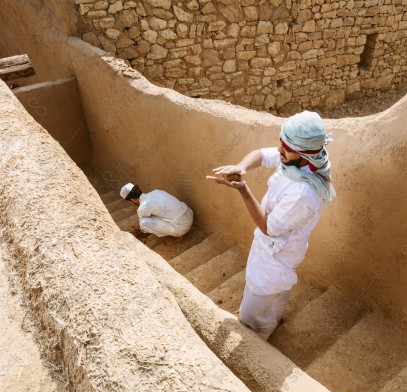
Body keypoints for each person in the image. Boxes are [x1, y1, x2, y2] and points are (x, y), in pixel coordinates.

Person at [206, 110, 335, 340]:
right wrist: (241, 166)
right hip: (288, 250)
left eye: (286, 147)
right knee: (279, 293)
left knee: (249, 315)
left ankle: (261, 336)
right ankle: (274, 318)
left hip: (275, 257)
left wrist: (243, 189)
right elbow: (262, 155)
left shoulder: (303, 193)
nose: (279, 150)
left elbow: (268, 227)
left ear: (304, 153)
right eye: (281, 143)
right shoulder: (303, 160)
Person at [119, 183, 194, 245]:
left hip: (182, 228)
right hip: (189, 213)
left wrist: (137, 226)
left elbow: (140, 223)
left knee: (143, 223)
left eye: (130, 201)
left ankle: (177, 237)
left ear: (132, 200)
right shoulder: (156, 191)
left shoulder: (142, 208)